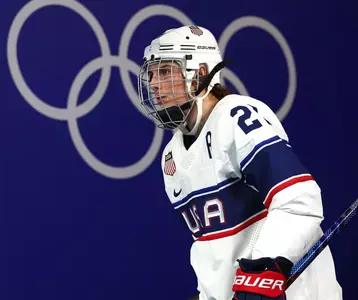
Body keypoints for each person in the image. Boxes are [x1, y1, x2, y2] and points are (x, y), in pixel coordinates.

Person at [137, 25, 343, 300]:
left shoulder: (236, 116)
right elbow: (214, 247)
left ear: (199, 73)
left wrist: (262, 269)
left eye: (164, 72)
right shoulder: (171, 157)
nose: (153, 83)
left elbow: (298, 199)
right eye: (151, 74)